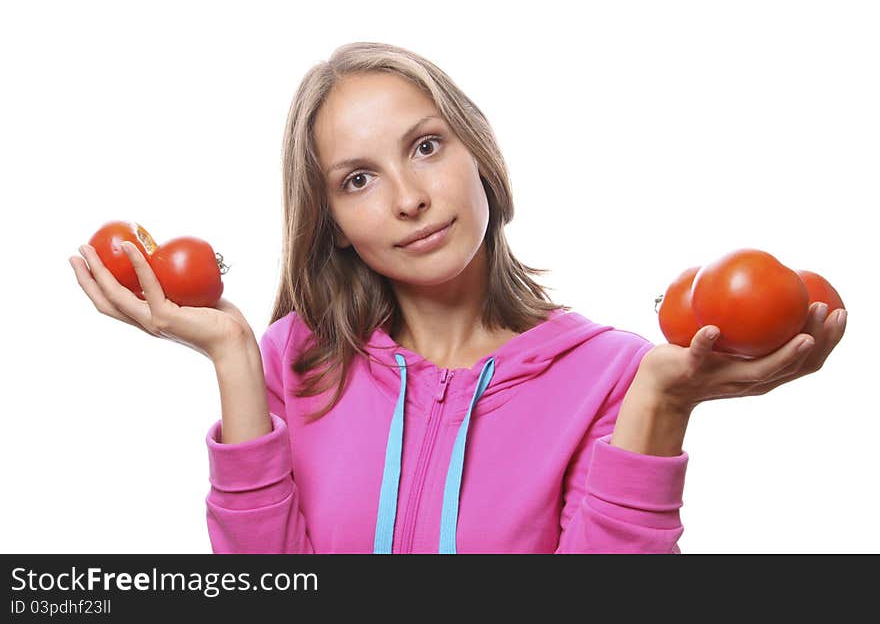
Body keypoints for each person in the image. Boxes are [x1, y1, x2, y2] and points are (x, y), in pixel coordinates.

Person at [70, 42, 847, 554]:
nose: (408, 198)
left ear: (479, 153)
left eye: (427, 146)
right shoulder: (291, 361)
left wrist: (662, 407)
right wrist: (235, 358)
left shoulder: (613, 374)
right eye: (358, 178)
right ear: (334, 224)